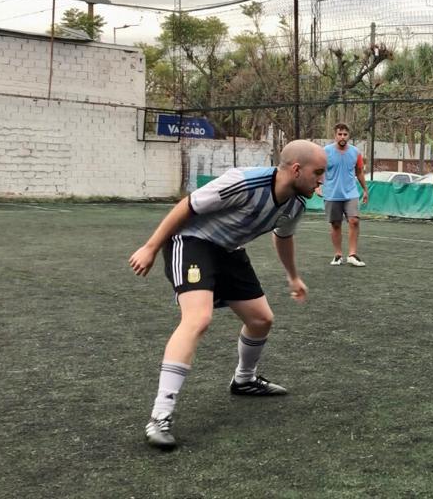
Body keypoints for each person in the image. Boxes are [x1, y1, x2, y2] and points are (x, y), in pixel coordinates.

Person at [128, 140, 327, 450]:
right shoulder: (244, 182)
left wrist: (293, 276)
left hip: (229, 250)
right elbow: (187, 206)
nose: (322, 180)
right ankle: (160, 415)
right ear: (297, 169)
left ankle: (244, 380)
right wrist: (150, 247)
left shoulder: (295, 204)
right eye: (318, 172)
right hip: (192, 241)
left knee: (261, 320)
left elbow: (283, 237)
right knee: (198, 318)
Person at [317, 123, 369, 267]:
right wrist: (317, 186)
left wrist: (365, 190)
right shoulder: (325, 152)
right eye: (339, 134)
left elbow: (359, 172)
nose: (342, 137)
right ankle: (338, 255)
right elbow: (319, 170)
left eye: (345, 134)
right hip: (332, 194)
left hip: (351, 193)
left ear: (348, 136)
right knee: (336, 224)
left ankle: (352, 254)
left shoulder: (355, 152)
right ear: (335, 135)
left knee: (354, 221)